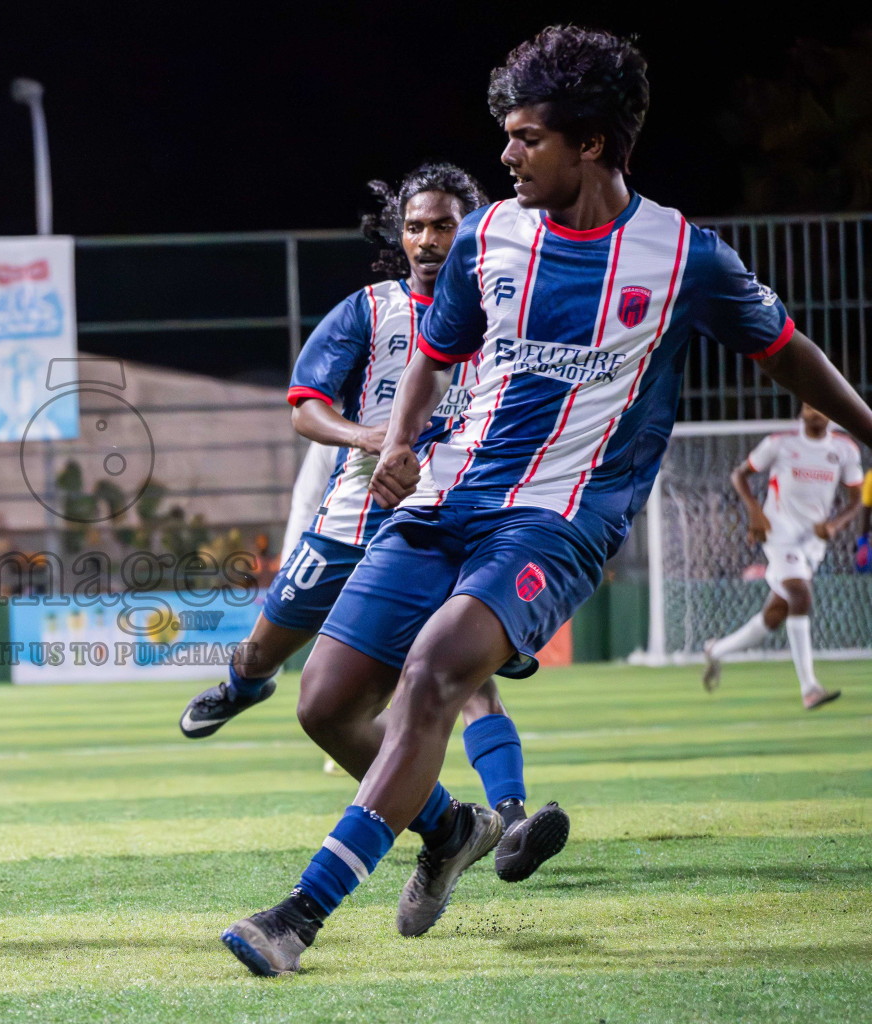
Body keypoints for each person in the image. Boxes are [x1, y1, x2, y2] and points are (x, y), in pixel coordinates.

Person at [219, 26, 872, 978]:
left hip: (561, 521)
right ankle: (450, 832)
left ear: (593, 144)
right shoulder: (490, 236)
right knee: (323, 705)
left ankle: (297, 917)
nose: (507, 155)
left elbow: (790, 351)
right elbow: (436, 359)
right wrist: (399, 442)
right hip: (449, 497)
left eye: (527, 138)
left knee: (438, 671)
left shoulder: (681, 255)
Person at [179, 165, 568, 917]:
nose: (428, 240)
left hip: (448, 521)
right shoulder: (370, 311)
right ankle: (243, 684)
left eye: (445, 225)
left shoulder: (506, 316)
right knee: (269, 657)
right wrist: (374, 438)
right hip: (353, 519)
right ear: (400, 234)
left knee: (463, 677)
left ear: (475, 230)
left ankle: (509, 820)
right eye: (417, 226)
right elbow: (303, 405)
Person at [701, 406, 862, 707]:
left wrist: (834, 525)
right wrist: (756, 513)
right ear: (801, 409)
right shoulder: (780, 443)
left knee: (775, 616)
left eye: (821, 405)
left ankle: (716, 651)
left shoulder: (845, 449)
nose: (816, 411)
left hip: (812, 541)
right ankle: (810, 688)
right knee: (800, 594)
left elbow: (855, 500)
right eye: (809, 404)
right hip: (778, 532)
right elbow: (739, 475)